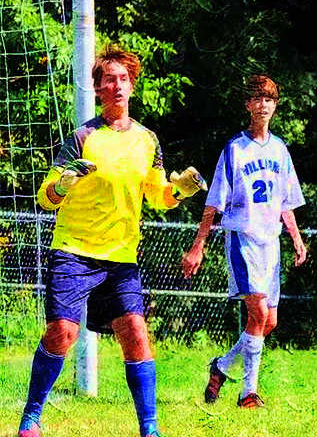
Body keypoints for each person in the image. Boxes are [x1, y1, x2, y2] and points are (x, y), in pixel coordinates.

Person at [18, 45, 206, 437]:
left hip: (121, 257)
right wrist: (62, 185)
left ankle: (149, 429)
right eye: (109, 80)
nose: (117, 86)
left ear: (132, 86)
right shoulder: (82, 136)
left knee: (136, 333)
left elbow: (158, 195)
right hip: (74, 250)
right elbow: (44, 197)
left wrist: (180, 190)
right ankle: (31, 418)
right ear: (98, 89)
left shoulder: (147, 140)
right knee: (62, 333)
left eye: (123, 79)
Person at [181, 75, 307, 408]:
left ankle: (222, 368)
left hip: (271, 243)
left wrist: (296, 238)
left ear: (275, 105)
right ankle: (248, 393)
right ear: (248, 105)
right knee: (258, 313)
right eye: (257, 99)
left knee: (269, 321)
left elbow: (285, 202)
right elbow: (214, 203)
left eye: (269, 99)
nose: (263, 105)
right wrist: (198, 245)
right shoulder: (235, 149)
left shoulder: (280, 150)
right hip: (243, 238)